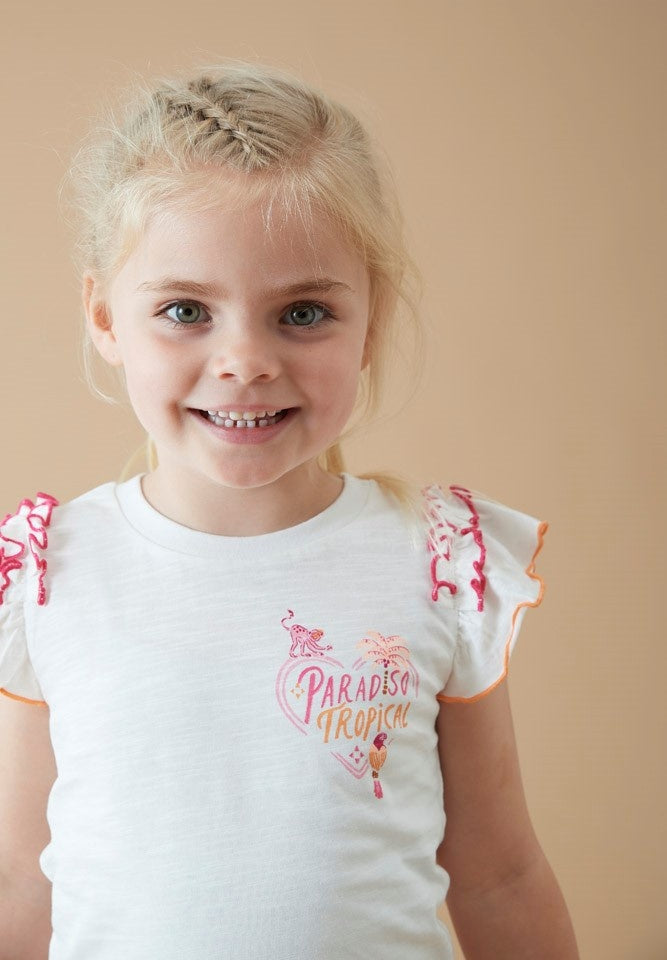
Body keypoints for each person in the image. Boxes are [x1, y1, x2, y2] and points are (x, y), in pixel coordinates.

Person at [0, 61, 579, 960]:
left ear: (370, 320)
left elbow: (498, 876)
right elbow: (21, 878)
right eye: (185, 309)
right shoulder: (49, 574)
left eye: (302, 313)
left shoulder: (438, 562)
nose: (245, 361)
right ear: (104, 316)